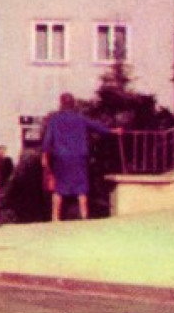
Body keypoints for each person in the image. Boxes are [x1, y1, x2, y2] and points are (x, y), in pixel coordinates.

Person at [40, 92, 118, 222]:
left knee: (59, 187)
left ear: (61, 104)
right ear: (73, 104)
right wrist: (112, 131)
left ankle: (55, 218)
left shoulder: (54, 120)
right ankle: (84, 216)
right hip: (79, 156)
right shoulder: (80, 118)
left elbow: (48, 139)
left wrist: (44, 155)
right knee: (81, 187)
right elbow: (97, 127)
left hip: (61, 157)